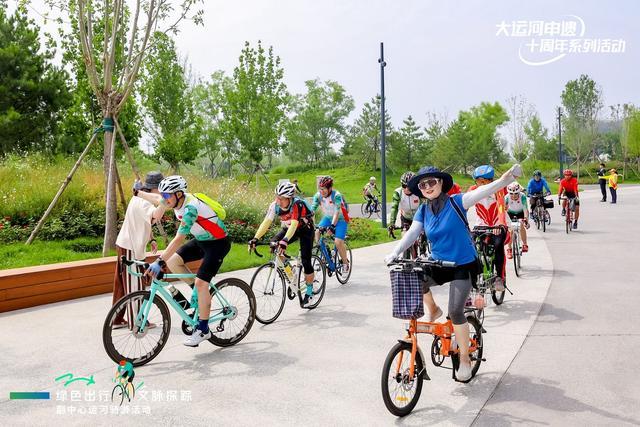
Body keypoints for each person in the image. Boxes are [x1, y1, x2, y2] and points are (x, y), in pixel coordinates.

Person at [385, 164, 523, 381]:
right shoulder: (423, 210)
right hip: (439, 263)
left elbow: (484, 191)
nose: (427, 187)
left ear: (441, 183)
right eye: (423, 184)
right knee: (414, 278)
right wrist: (395, 251)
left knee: (456, 311)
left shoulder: (457, 201)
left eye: (432, 182)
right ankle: (433, 309)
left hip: (462, 264)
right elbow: (413, 233)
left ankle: (466, 359)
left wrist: (507, 178)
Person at [139, 175, 231, 347]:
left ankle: (203, 329)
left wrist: (159, 261)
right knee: (173, 262)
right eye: (164, 195)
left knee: (201, 283)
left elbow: (178, 239)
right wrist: (138, 193)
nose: (165, 199)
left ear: (179, 194)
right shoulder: (173, 200)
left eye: (168, 196)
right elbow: (157, 198)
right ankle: (198, 296)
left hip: (218, 243)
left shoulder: (190, 208)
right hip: (202, 240)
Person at [249, 182, 317, 307]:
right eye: (277, 197)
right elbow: (266, 222)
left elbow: (295, 224)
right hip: (289, 228)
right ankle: (292, 275)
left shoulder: (297, 204)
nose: (278, 201)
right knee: (274, 245)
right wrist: (255, 238)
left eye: (281, 198)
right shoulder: (274, 205)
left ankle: (309, 291)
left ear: (289, 198)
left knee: (306, 260)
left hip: (305, 230)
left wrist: (285, 240)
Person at [111, 171, 164, 329]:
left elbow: (145, 222)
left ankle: (117, 319)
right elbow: (154, 216)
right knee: (135, 284)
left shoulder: (138, 198)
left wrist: (152, 238)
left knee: (121, 284)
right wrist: (165, 203)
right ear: (155, 189)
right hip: (131, 247)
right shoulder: (144, 203)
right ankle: (137, 322)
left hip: (125, 244)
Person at [469, 165, 509, 292]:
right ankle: (474, 272)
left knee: (498, 245)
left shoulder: (498, 190)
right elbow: (462, 206)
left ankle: (499, 277)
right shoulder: (473, 190)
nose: (481, 184)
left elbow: (501, 207)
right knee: (469, 244)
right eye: (478, 181)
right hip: (480, 225)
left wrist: (501, 224)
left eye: (484, 181)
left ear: (490, 181)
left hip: (497, 225)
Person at [312, 176, 350, 274]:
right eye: (320, 189)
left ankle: (345, 263)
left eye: (324, 189)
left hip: (341, 219)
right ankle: (323, 254)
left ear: (330, 188)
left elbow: (337, 212)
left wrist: (332, 226)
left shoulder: (336, 195)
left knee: (338, 242)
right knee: (317, 232)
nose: (322, 191)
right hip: (328, 218)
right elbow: (312, 210)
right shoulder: (318, 196)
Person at [505, 182, 529, 256]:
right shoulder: (506, 197)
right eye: (511, 193)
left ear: (519, 192)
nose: (514, 195)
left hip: (521, 213)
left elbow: (525, 209)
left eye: (516, 193)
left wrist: (526, 220)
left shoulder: (523, 196)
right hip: (510, 213)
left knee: (521, 225)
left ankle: (525, 244)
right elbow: (504, 210)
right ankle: (509, 249)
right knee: (510, 230)